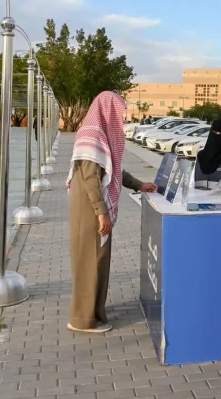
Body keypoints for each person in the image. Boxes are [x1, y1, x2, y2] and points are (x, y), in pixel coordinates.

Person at [66, 91, 158, 334]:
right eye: (119, 113)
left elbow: (114, 170)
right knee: (90, 261)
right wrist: (101, 212)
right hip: (89, 207)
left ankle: (93, 311)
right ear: (107, 110)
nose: (122, 119)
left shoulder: (100, 134)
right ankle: (83, 320)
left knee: (97, 259)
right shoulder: (92, 134)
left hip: (92, 205)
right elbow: (91, 178)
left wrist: (140, 185)